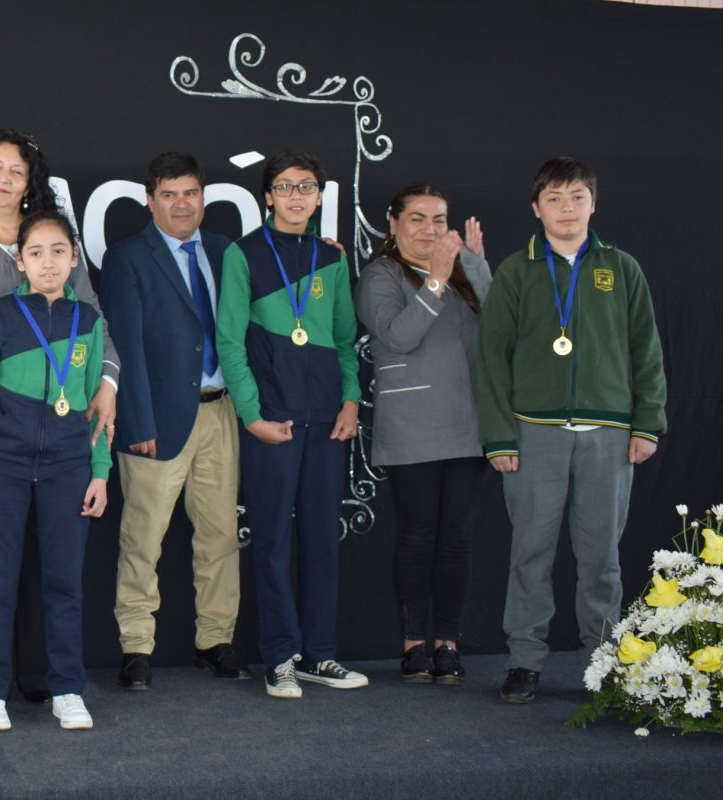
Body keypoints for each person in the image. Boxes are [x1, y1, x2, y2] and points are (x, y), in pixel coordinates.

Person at [0, 129, 118, 703]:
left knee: (53, 569)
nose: (4, 178)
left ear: (31, 181)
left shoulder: (55, 239)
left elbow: (95, 323)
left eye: (16, 169)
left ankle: (44, 679)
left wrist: (108, 383)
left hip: (61, 438)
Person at [477, 157, 666, 704]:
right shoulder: (516, 271)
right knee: (530, 553)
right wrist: (499, 435)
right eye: (555, 198)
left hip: (610, 433)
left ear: (593, 204)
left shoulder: (621, 268)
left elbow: (647, 351)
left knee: (601, 558)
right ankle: (524, 659)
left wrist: (647, 424)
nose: (567, 208)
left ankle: (603, 662)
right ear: (536, 209)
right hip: (533, 433)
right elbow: (491, 359)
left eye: (577, 196)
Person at [215, 148, 368, 700]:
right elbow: (230, 341)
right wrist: (252, 416)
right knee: (273, 541)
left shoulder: (330, 258)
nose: (296, 195)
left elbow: (346, 340)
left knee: (324, 540)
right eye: (284, 186)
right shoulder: (244, 254)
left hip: (326, 421)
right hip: (271, 422)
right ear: (268, 195)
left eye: (306, 186)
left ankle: (320, 654)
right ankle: (280, 656)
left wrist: (350, 400)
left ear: (319, 196)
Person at [0, 211, 110, 733]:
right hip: (3, 466)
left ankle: (67, 688)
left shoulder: (88, 320)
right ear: (20, 261)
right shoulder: (0, 315)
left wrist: (100, 471)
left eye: (59, 251)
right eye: (36, 252)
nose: (48, 262)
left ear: (74, 259)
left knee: (64, 585)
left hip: (69, 467)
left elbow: (95, 406)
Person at [100, 152, 246, 689]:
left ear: (203, 196)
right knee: (143, 540)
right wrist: (136, 421)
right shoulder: (127, 258)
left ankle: (216, 641)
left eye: (190, 193)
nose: (181, 204)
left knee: (220, 537)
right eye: (169, 194)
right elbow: (125, 346)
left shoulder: (226, 251)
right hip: (156, 420)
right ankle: (136, 647)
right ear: (150, 200)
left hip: (219, 412)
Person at [355, 184, 491, 685]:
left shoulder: (463, 272)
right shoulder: (380, 275)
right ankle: (414, 644)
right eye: (417, 218)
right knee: (417, 535)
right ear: (393, 224)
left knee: (456, 538)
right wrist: (435, 279)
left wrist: (476, 264)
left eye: (439, 219)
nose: (430, 229)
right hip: (411, 427)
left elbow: (501, 327)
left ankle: (448, 643)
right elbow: (399, 336)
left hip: (468, 425)